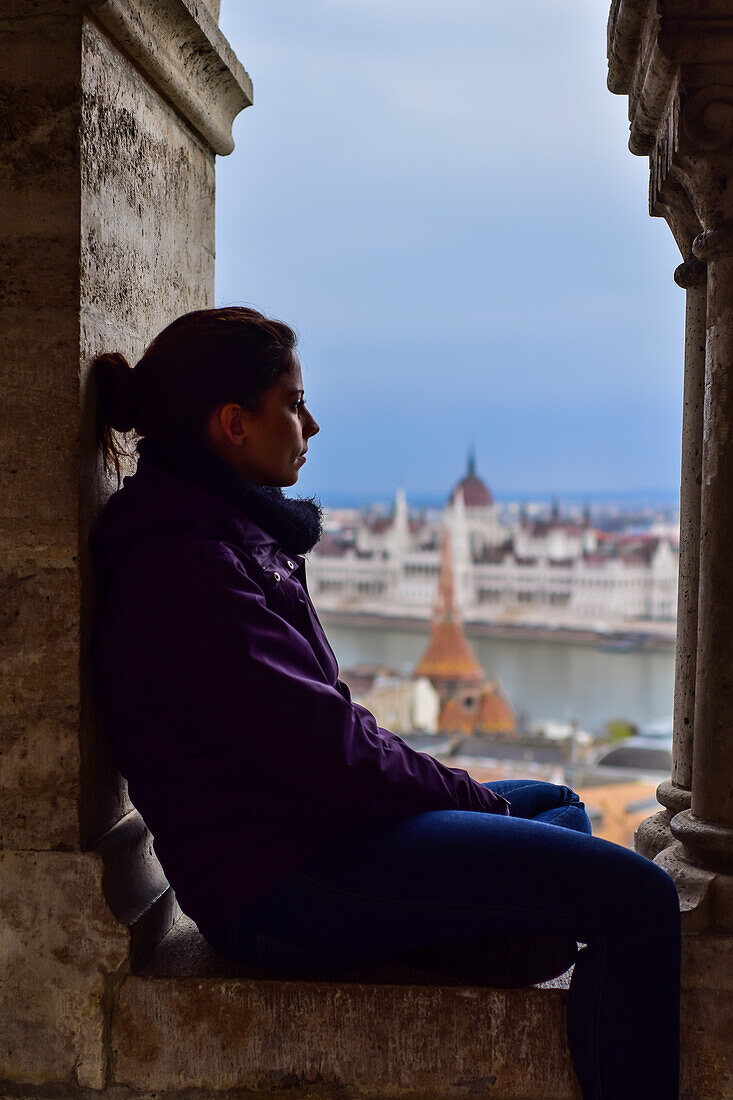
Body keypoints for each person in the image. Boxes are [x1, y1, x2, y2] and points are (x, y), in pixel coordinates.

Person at [91, 306, 681, 1099]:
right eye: (294, 404)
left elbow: (317, 741)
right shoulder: (190, 565)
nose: (313, 423)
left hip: (299, 832)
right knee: (639, 896)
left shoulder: (216, 535)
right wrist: (471, 801)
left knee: (557, 801)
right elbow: (328, 743)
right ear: (234, 423)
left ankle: (492, 927)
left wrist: (473, 811)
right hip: (279, 879)